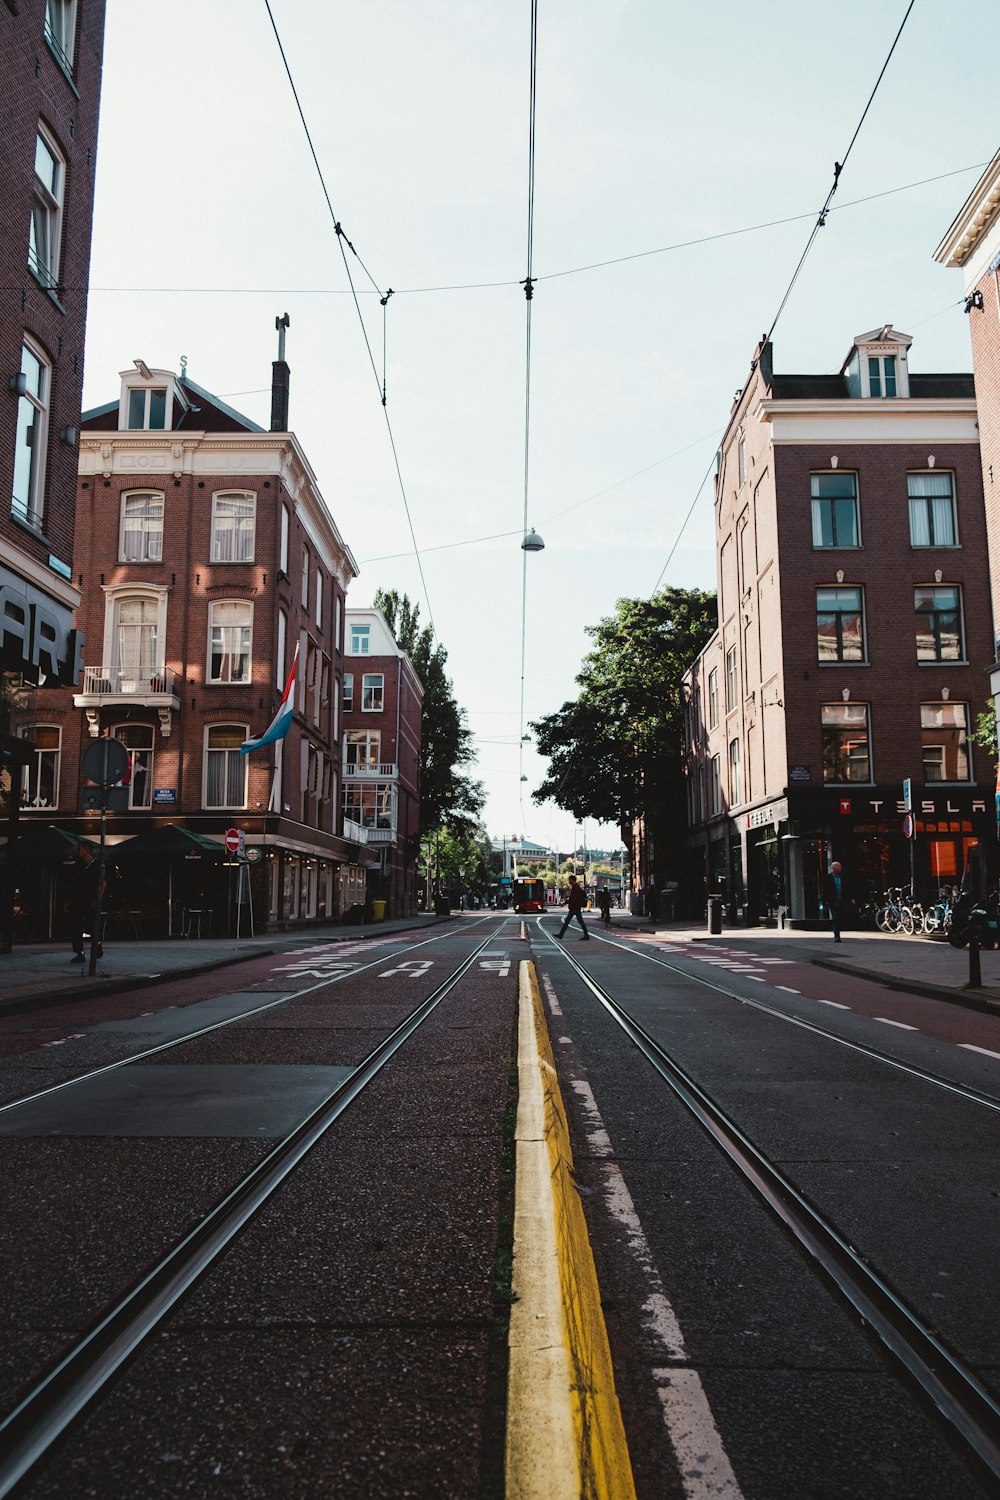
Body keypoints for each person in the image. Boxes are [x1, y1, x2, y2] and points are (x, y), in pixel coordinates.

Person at [67, 843, 104, 961]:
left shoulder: (97, 866)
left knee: (91, 924)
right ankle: (80, 952)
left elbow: (102, 883)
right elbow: (73, 884)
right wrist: (69, 900)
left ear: (86, 851)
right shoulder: (79, 865)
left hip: (89, 899)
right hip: (78, 899)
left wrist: (96, 898)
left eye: (80, 849)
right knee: (76, 926)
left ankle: (96, 945)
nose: (78, 852)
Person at [557, 874, 589, 940]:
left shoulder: (576, 887)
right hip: (575, 907)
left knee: (574, 922)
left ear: (572, 880)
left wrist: (564, 903)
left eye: (569, 880)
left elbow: (572, 898)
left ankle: (586, 936)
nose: (569, 882)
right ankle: (561, 935)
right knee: (570, 921)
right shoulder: (576, 887)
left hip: (575, 907)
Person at [823, 860, 847, 943]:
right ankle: (837, 935)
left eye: (840, 867)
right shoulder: (828, 878)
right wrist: (825, 902)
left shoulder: (843, 877)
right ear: (833, 868)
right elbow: (825, 891)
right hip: (833, 901)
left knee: (840, 917)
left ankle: (838, 932)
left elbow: (847, 888)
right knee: (835, 917)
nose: (839, 868)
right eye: (837, 867)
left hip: (842, 900)